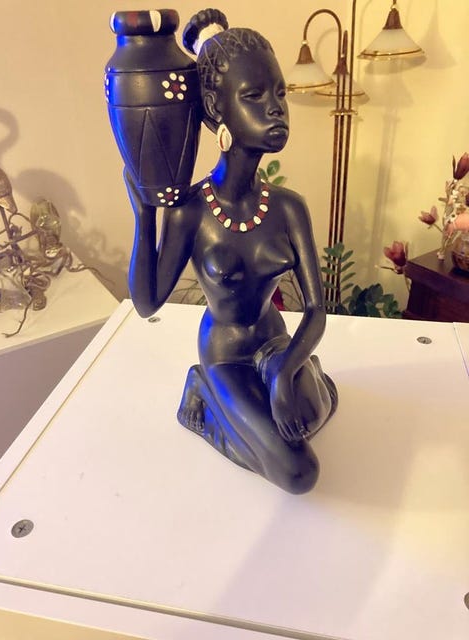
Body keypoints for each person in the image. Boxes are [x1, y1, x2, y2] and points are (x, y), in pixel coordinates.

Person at [125, 9, 337, 494]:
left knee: (310, 415)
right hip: (225, 355)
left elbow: (316, 311)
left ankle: (300, 383)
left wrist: (284, 375)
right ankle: (205, 394)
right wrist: (144, 217)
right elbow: (146, 303)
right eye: (254, 96)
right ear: (216, 109)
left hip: (275, 343)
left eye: (279, 93)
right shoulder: (192, 212)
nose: (276, 108)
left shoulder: (288, 207)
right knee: (300, 474)